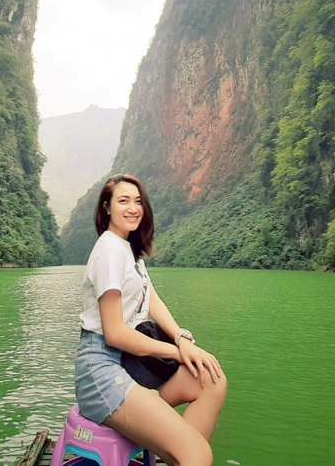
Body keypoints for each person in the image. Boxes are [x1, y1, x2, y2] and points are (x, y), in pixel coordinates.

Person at [75, 174, 226, 466]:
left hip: (134, 364)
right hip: (102, 372)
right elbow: (115, 334)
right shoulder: (108, 251)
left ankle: (183, 454)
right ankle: (189, 454)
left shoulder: (129, 250)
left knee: (211, 381)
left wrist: (182, 337)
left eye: (138, 201)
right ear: (106, 207)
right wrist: (177, 351)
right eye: (123, 201)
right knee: (197, 454)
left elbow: (151, 299)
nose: (133, 208)